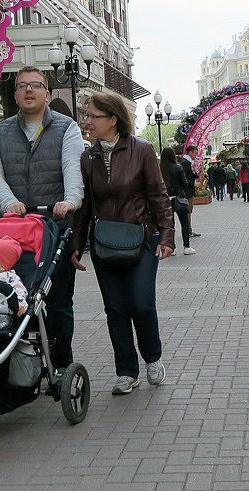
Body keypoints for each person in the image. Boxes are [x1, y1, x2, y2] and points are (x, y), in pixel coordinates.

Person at [0, 65, 84, 377]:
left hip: (54, 228)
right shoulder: (1, 131)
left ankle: (61, 363)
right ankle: (16, 363)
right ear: (14, 95)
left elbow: (72, 168)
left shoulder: (67, 129)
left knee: (57, 301)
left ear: (47, 94)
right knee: (13, 297)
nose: (29, 90)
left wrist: (71, 200)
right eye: (23, 85)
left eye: (36, 85)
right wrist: (8, 202)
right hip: (14, 230)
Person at [71, 92, 174, 395]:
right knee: (115, 308)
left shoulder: (142, 150)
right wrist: (77, 242)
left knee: (141, 303)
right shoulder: (87, 156)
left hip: (142, 239)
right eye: (86, 116)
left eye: (93, 116)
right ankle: (126, 371)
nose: (87, 121)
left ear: (112, 119)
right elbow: (86, 204)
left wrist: (167, 235)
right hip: (104, 243)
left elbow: (158, 195)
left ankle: (152, 358)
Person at [160, 148, 196, 255]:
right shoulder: (178, 167)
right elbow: (184, 183)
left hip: (165, 200)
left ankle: (172, 248)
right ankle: (187, 247)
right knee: (184, 222)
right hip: (178, 198)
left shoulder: (160, 169)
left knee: (170, 225)